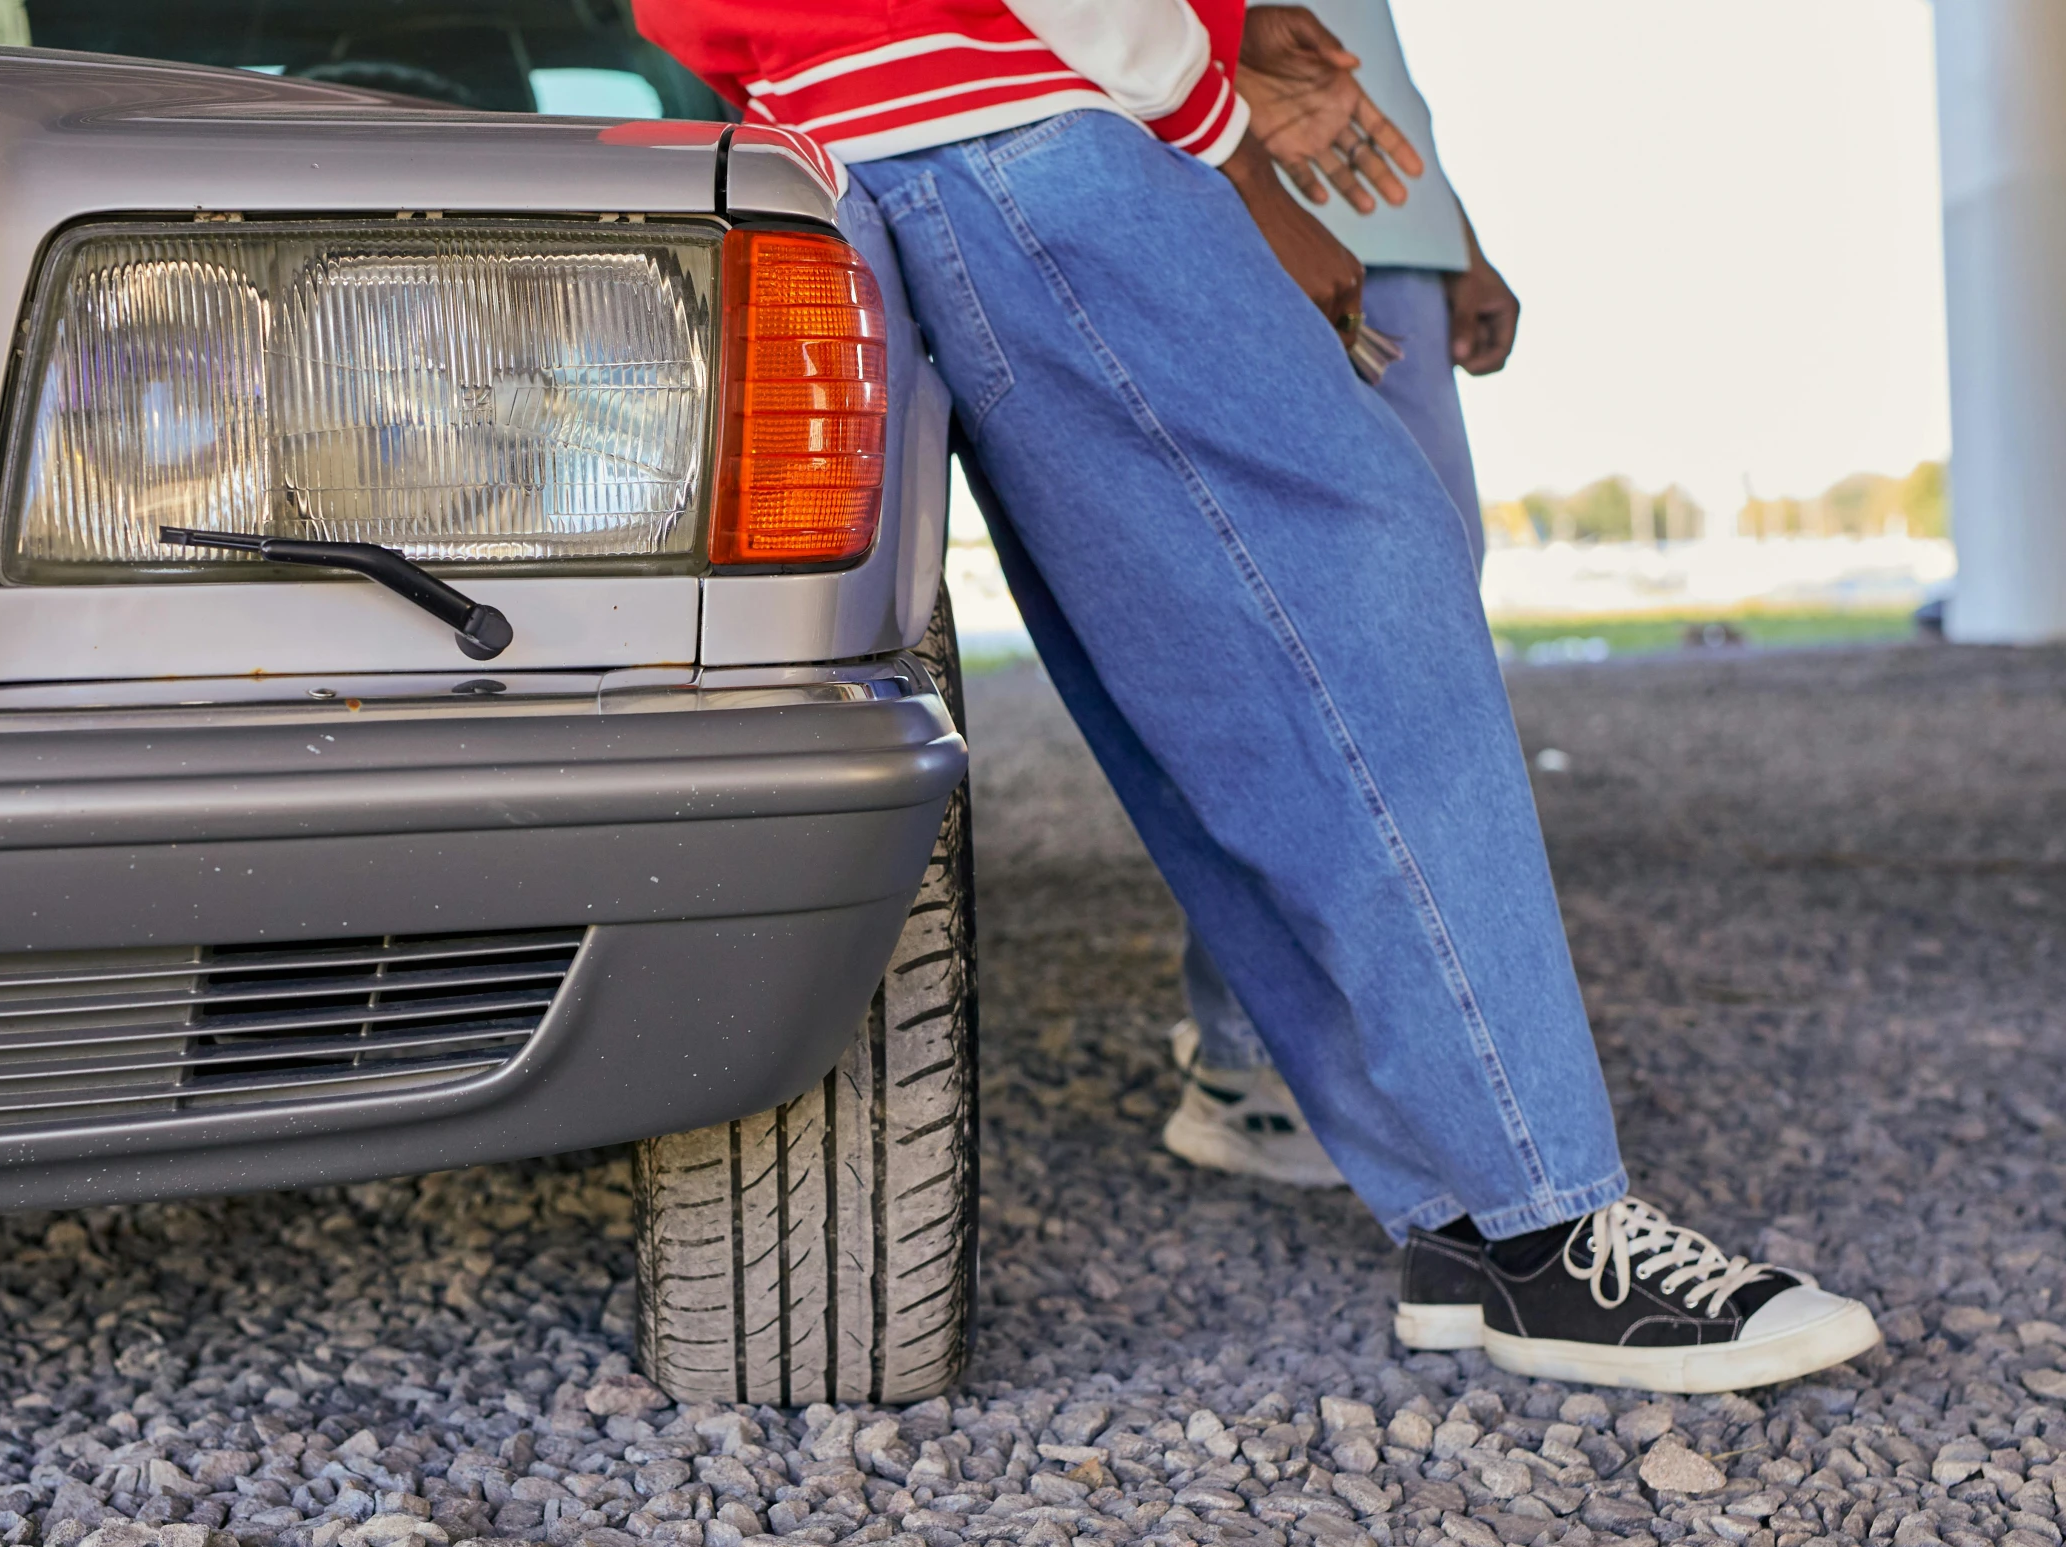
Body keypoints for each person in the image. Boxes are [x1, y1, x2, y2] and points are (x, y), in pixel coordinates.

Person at [633, 0, 1880, 1391]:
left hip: (900, 131)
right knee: (1362, 592)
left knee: (1207, 678)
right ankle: (1553, 1229)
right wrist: (1223, 150)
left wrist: (1221, 34)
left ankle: (1466, 1218)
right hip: (1015, 125)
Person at [1163, 0, 1518, 1190]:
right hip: (1250, 210)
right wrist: (1259, 201)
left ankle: (1392, 1055)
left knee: (1420, 657)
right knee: (1293, 652)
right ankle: (1243, 1057)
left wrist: (1453, 239)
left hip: (1388, 237)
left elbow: (1368, 66)